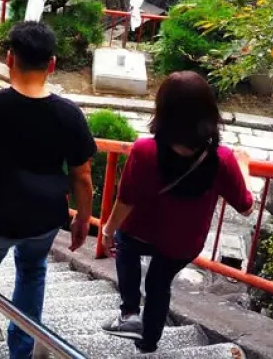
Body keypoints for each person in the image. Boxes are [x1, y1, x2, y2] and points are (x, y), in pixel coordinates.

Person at [0, 20, 96, 359]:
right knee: (32, 273)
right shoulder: (70, 115)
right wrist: (83, 219)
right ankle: (21, 349)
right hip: (44, 219)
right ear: (51, 65)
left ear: (10, 59)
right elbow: (82, 176)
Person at [101, 71, 254, 353]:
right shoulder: (223, 160)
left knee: (124, 244)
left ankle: (130, 313)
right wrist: (244, 167)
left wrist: (108, 230)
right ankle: (148, 344)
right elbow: (246, 207)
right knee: (159, 284)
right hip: (182, 243)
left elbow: (126, 200)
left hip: (139, 232)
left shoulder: (145, 150)